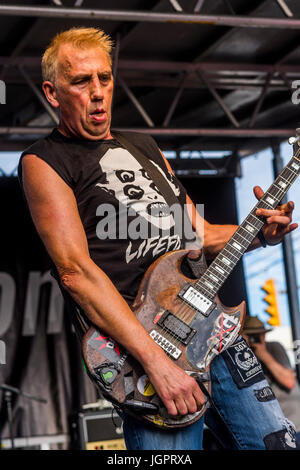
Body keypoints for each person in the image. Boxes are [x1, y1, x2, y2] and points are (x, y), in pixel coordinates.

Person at [17, 26, 299, 450]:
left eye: (104, 78)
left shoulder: (145, 145)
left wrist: (261, 234)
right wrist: (157, 364)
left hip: (213, 330)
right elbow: (76, 272)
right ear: (53, 93)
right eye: (81, 81)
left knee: (278, 443)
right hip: (145, 355)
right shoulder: (45, 161)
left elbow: (198, 234)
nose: (97, 91)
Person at [242, 316, 300, 443]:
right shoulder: (242, 357)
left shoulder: (273, 348)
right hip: (273, 432)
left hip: (296, 426)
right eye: (252, 336)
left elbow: (289, 381)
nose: (257, 339)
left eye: (260, 335)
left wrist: (263, 354)